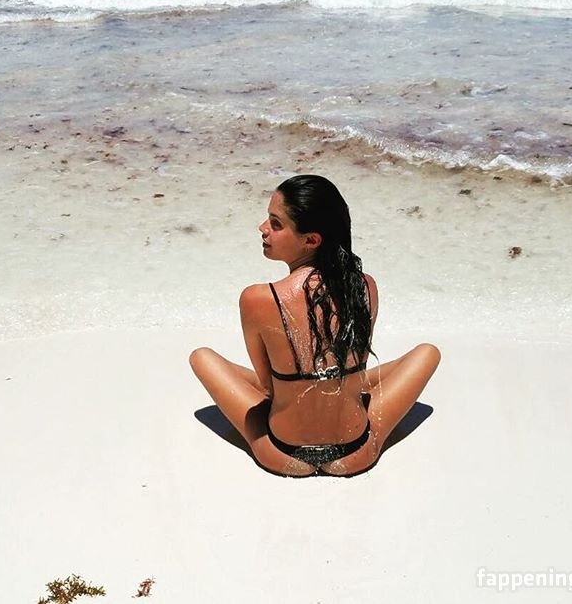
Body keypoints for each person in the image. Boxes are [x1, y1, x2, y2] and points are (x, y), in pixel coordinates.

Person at [189, 174, 441, 477]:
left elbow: (268, 387)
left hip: (282, 452)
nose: (262, 228)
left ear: (311, 240)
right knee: (426, 353)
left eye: (276, 223)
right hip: (356, 450)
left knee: (201, 357)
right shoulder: (364, 287)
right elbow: (357, 369)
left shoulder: (257, 299)